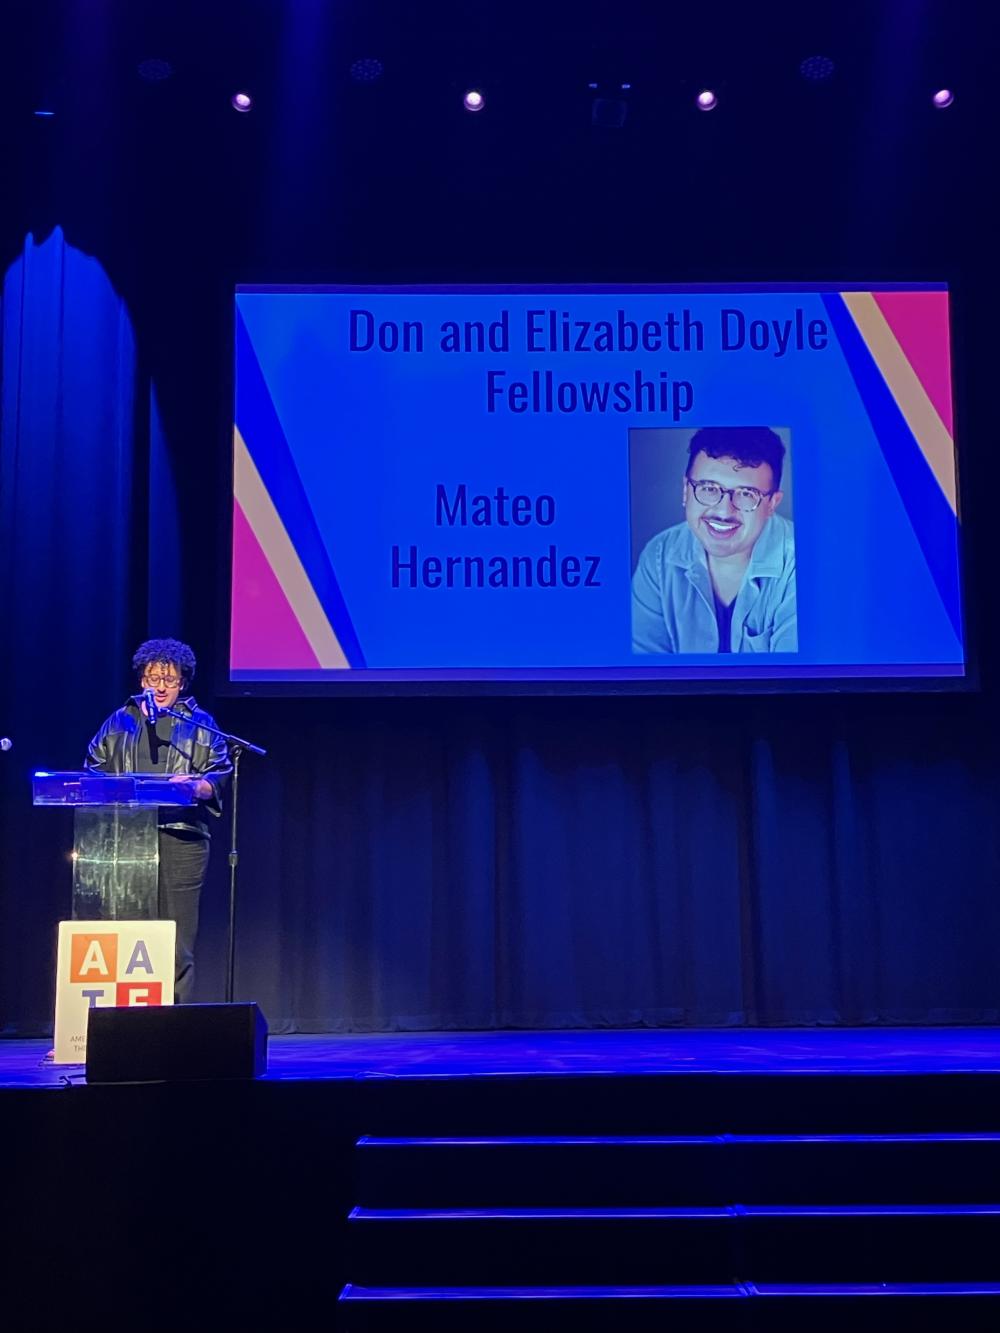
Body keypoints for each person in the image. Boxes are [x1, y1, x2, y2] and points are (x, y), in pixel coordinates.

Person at [85, 638, 232, 1001]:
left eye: (170, 680)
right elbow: (92, 772)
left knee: (177, 939)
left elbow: (218, 773)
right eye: (154, 679)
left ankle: (174, 1018)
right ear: (142, 681)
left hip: (181, 838)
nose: (161, 687)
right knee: (127, 932)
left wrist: (198, 787)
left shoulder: (200, 724)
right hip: (124, 839)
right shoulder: (120, 721)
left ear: (183, 682)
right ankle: (123, 1019)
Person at [631, 426, 797, 654]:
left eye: (747, 494)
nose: (723, 511)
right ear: (685, 491)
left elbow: (794, 684)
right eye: (708, 488)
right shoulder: (658, 555)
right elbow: (644, 679)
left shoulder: (801, 563)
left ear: (772, 504)